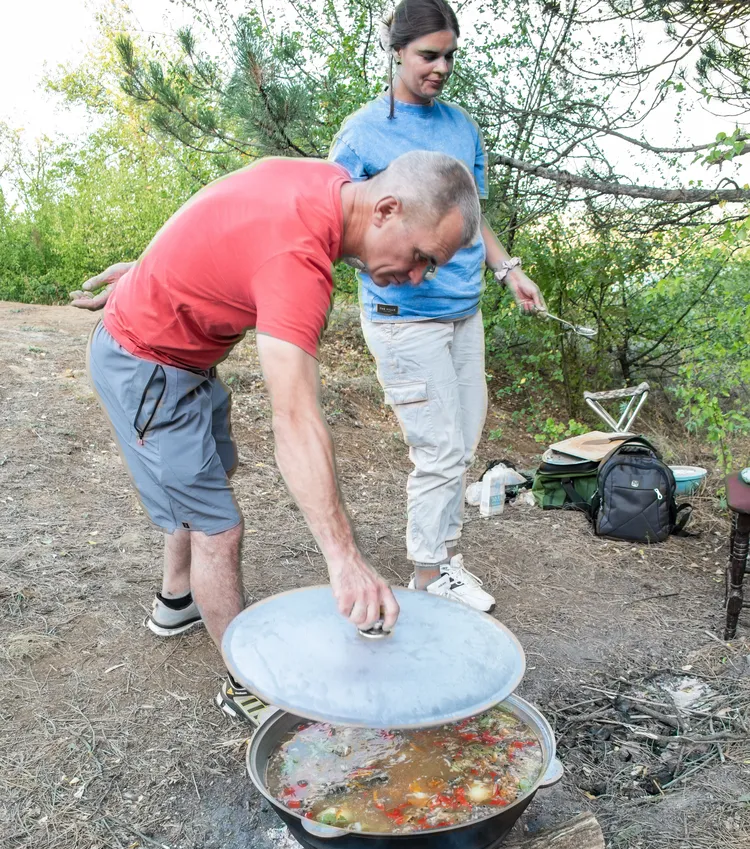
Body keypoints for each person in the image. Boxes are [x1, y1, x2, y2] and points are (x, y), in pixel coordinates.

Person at [72, 150, 480, 719]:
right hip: (147, 365)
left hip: (183, 357)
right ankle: (245, 688)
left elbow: (222, 205)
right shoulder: (298, 259)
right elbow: (295, 419)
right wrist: (345, 559)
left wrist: (151, 269)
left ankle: (176, 600)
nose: (415, 277)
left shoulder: (328, 185)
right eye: (420, 258)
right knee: (218, 528)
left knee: (209, 478)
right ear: (386, 209)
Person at [329, 0, 546, 613]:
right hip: (405, 318)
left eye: (450, 55)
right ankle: (427, 574)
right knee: (440, 448)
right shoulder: (363, 132)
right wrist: (377, 266)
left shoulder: (461, 129)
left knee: (462, 441)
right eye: (429, 55)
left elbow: (470, 222)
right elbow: (334, 221)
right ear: (396, 51)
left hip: (463, 312)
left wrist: (507, 272)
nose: (441, 67)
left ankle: (446, 557)